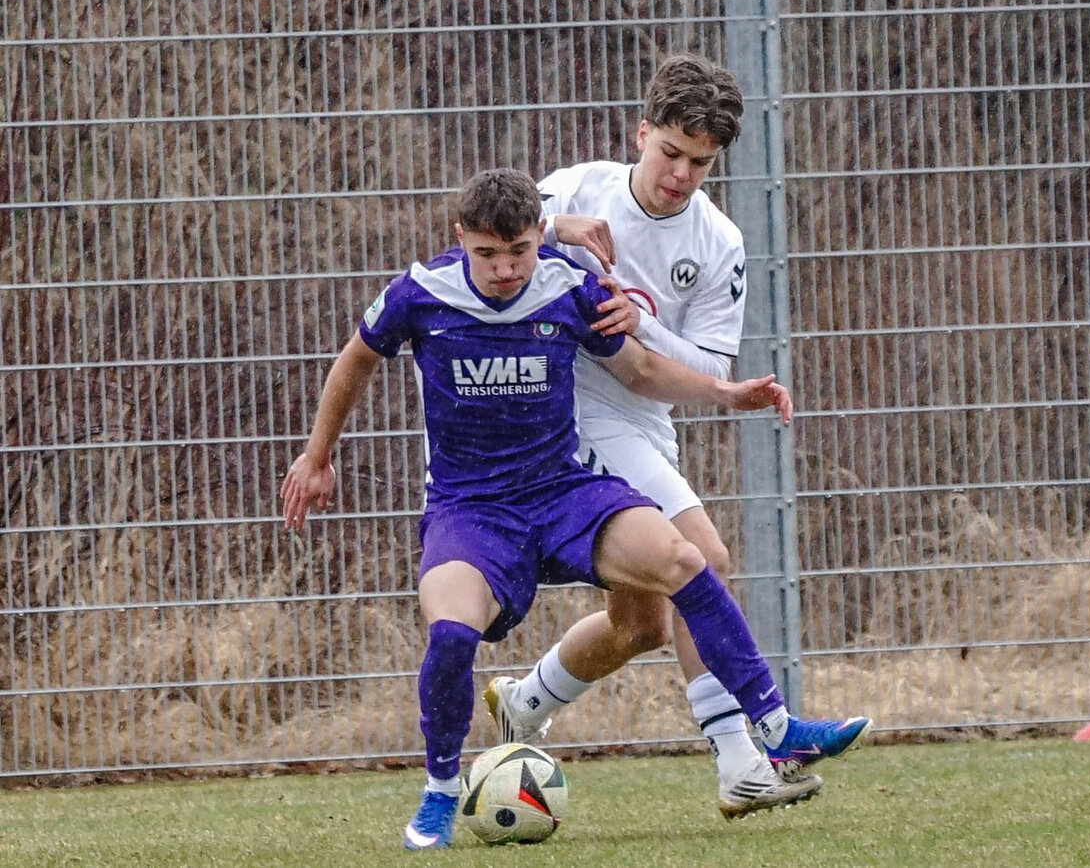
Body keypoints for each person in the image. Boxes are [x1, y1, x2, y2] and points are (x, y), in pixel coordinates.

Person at [280, 168, 866, 850]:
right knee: (450, 633)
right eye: (488, 255)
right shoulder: (423, 291)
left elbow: (641, 371)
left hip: (563, 492)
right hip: (472, 509)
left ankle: (773, 726)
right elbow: (355, 360)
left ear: (539, 238)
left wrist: (727, 393)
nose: (505, 269)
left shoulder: (567, 285)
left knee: (686, 558)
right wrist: (317, 456)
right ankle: (441, 790)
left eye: (519, 251)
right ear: (461, 240)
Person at [482, 54, 872, 819]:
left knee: (644, 622)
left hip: (644, 419)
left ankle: (524, 701)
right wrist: (552, 226)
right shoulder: (577, 189)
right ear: (642, 133)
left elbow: (703, 363)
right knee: (705, 560)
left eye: (700, 162)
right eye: (670, 153)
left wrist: (643, 320)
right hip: (569, 414)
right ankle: (743, 762)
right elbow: (480, 235)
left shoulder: (719, 241)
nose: (680, 175)